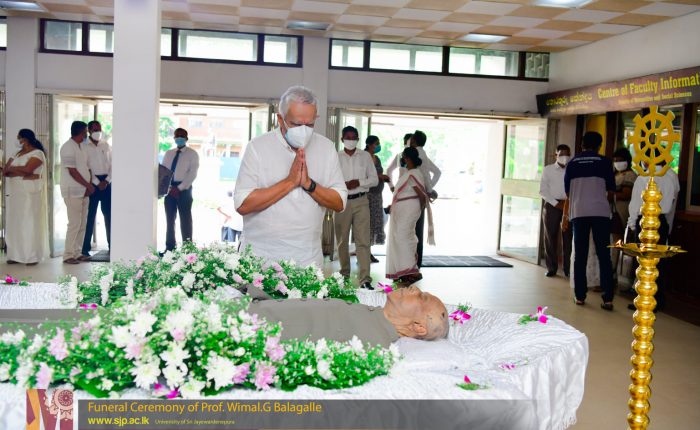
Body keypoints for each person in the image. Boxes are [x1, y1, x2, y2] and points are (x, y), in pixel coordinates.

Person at [234, 86, 347, 268]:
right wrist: (290, 182)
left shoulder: (326, 148)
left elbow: (339, 203)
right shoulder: (258, 147)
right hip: (260, 259)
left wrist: (309, 184)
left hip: (307, 260)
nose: (303, 130)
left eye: (309, 125)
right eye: (296, 124)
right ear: (280, 119)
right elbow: (243, 204)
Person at [248, 284, 449, 346]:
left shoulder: (374, 342)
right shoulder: (372, 315)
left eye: (421, 297)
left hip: (247, 326)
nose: (415, 288)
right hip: (254, 309)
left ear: (419, 327)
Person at [564, 131, 616, 310]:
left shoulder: (572, 163)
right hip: (601, 213)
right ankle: (608, 298)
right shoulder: (605, 162)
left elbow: (567, 191)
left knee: (580, 255)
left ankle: (580, 296)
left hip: (579, 212)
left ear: (582, 145)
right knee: (604, 255)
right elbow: (611, 189)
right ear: (599, 146)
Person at [626, 161, 680, 312]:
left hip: (645, 220)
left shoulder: (643, 177)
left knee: (642, 262)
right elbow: (670, 206)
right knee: (658, 262)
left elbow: (635, 203)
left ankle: (643, 299)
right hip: (661, 221)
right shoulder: (670, 177)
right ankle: (657, 300)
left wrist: (632, 224)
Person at [335, 125, 378, 289]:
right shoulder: (336, 157)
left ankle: (365, 279)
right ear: (342, 139)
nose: (351, 140)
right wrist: (342, 185)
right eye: (348, 137)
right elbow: (329, 179)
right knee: (342, 240)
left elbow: (374, 180)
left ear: (358, 139)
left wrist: (359, 182)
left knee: (363, 241)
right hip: (342, 202)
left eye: (354, 138)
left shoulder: (365, 156)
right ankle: (344, 273)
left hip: (361, 201)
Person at [386, 147, 432, 285]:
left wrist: (419, 210)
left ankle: (412, 271)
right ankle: (403, 271)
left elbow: (421, 196)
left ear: (407, 158)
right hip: (403, 210)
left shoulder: (413, 174)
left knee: (403, 237)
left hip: (409, 210)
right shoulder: (409, 173)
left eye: (404, 157)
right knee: (401, 237)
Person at [3, 129, 49, 265]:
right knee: (15, 222)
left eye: (19, 138)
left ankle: (32, 256)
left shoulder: (37, 153)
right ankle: (15, 255)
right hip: (15, 192)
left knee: (29, 222)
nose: (17, 140)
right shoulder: (16, 153)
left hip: (29, 193)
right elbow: (5, 171)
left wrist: (14, 170)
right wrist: (20, 171)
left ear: (25, 139)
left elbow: (28, 169)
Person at [60, 121, 94, 265]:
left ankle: (77, 252)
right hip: (72, 191)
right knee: (74, 223)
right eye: (86, 131)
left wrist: (88, 186)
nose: (87, 134)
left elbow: (87, 168)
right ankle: (68, 255)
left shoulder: (82, 147)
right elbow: (72, 171)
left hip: (83, 191)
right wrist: (88, 185)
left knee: (82, 223)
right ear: (81, 132)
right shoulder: (67, 147)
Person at [161, 128, 199, 252]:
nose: (179, 138)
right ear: (174, 138)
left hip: (185, 190)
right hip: (169, 189)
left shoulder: (192, 154)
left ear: (186, 138)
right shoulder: (168, 153)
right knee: (169, 220)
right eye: (177, 136)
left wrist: (179, 188)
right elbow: (163, 171)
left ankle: (187, 250)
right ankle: (170, 248)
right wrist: (168, 188)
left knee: (185, 220)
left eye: (182, 136)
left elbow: (192, 174)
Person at [409, 131, 441, 267]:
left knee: (413, 230)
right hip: (420, 194)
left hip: (415, 196)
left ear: (414, 141)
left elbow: (425, 175)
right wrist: (429, 189)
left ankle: (414, 262)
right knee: (417, 229)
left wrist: (428, 190)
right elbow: (436, 172)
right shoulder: (423, 153)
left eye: (411, 139)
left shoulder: (416, 154)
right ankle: (416, 261)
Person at [539, 144, 572, 277]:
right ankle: (551, 267)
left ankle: (568, 269)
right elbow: (543, 190)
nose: (565, 157)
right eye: (561, 154)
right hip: (552, 205)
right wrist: (556, 203)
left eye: (567, 154)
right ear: (556, 155)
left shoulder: (573, 169)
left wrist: (566, 204)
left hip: (568, 205)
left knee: (568, 237)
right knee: (550, 236)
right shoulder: (548, 170)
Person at [81, 120, 112, 259]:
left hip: (107, 183)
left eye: (99, 129)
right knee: (90, 216)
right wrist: (96, 182)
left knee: (109, 215)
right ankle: (85, 248)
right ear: (89, 131)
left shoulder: (106, 145)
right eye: (94, 129)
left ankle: (112, 245)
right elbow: (85, 167)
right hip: (92, 184)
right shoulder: (84, 146)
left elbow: (113, 164)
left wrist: (107, 180)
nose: (97, 132)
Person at [611, 147, 637, 274]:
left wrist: (611, 195)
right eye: (615, 160)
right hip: (613, 210)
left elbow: (627, 194)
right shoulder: (616, 174)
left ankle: (614, 270)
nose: (617, 163)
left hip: (621, 211)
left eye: (620, 160)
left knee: (618, 241)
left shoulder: (630, 175)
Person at [365, 135, 390, 262]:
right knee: (367, 223)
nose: (378, 146)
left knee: (374, 223)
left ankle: (368, 251)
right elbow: (365, 174)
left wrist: (383, 178)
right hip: (367, 195)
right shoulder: (363, 156)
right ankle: (364, 252)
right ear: (369, 144)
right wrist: (380, 177)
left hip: (377, 195)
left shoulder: (377, 158)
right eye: (376, 143)